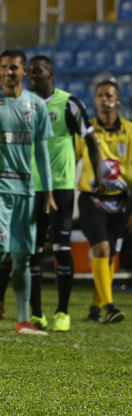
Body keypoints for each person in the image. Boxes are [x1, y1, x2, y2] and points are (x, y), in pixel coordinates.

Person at [0, 55, 102, 331]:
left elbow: (91, 140)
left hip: (60, 188)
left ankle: (63, 312)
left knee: (62, 249)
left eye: (38, 72)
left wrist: (98, 176)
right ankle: (37, 313)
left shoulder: (69, 103)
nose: (33, 76)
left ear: (50, 73)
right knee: (31, 251)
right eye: (31, 72)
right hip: (27, 189)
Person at [0, 49, 55, 336]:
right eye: (4, 67)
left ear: (23, 71)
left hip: (26, 191)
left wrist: (49, 191)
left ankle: (23, 321)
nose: (9, 72)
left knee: (22, 256)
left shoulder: (36, 105)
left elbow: (42, 151)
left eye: (14, 68)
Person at [76, 80, 130, 324]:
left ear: (117, 99)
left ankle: (95, 309)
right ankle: (109, 307)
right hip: (92, 201)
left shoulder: (129, 131)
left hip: (120, 202)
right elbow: (69, 158)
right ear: (95, 100)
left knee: (109, 258)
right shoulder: (85, 130)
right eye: (99, 95)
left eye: (108, 95)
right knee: (102, 249)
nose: (104, 99)